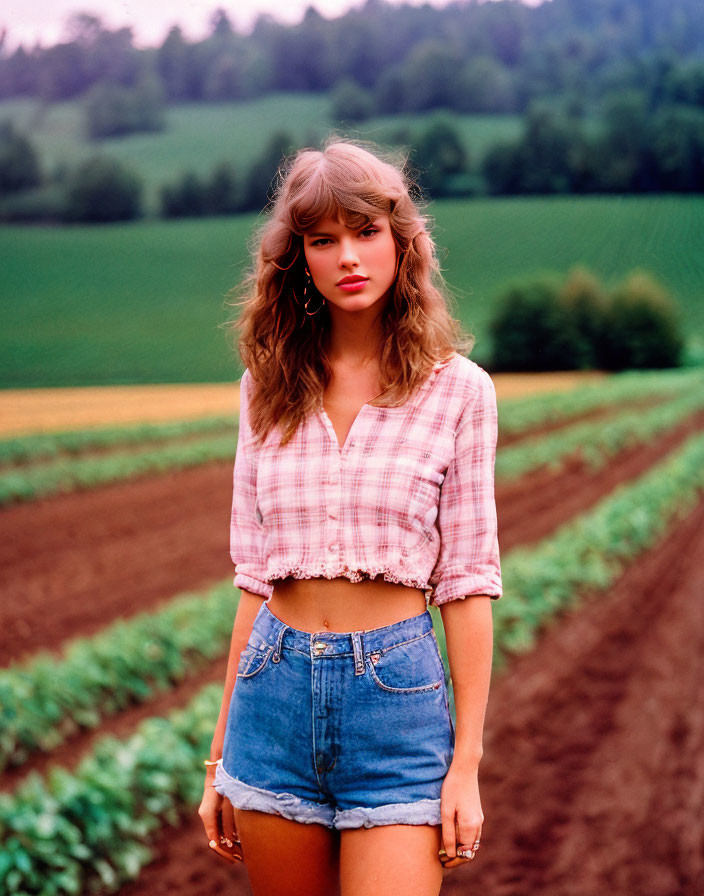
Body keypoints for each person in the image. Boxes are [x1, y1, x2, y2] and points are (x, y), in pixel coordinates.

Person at [198, 137, 502, 896]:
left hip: (395, 706)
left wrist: (464, 766)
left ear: (402, 242)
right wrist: (219, 758)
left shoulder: (459, 392)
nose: (347, 257)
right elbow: (252, 579)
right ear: (298, 257)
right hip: (272, 699)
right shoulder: (262, 389)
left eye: (366, 232)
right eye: (322, 239)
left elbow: (467, 584)